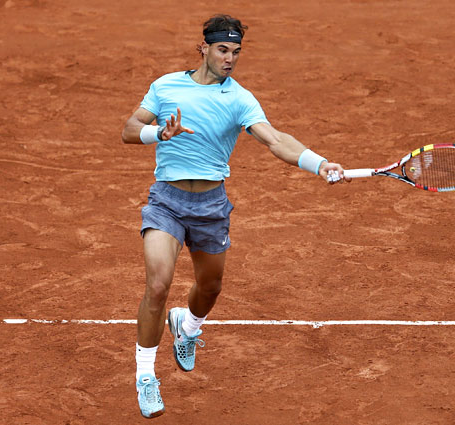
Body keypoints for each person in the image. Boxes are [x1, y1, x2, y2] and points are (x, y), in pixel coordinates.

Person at [121, 14, 348, 418]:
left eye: (236, 52)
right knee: (157, 285)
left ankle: (187, 327)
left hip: (210, 207)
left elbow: (276, 140)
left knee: (210, 288)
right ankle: (146, 376)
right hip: (167, 201)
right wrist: (159, 133)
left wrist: (320, 163)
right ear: (203, 48)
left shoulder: (240, 99)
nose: (229, 59)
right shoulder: (166, 86)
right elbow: (129, 129)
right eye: (222, 50)